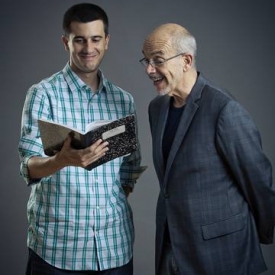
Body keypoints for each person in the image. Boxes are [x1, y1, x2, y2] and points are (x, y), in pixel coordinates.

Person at [18, 3, 146, 275]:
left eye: (96, 39)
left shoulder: (124, 100)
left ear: (107, 41)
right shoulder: (43, 95)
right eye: (80, 40)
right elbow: (28, 167)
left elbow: (131, 167)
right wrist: (62, 160)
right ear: (66, 42)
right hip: (57, 249)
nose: (89, 48)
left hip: (115, 247)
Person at [139, 23, 275, 275]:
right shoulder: (156, 109)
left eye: (157, 60)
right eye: (146, 61)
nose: (149, 70)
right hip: (171, 247)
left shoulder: (224, 109)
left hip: (221, 252)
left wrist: (261, 233)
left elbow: (258, 182)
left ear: (186, 60)